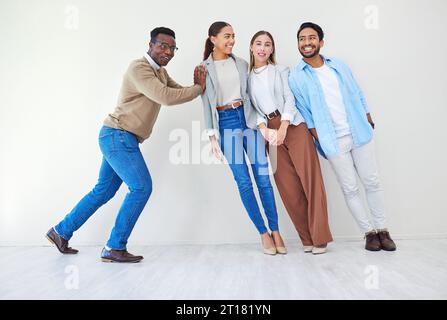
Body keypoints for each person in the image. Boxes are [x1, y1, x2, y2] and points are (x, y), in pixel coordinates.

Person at [46, 27, 207, 263]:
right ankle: (114, 246)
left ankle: (60, 232)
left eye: (173, 48)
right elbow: (166, 97)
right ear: (150, 44)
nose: (168, 51)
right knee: (141, 188)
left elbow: (176, 91)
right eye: (163, 45)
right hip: (118, 135)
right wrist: (199, 88)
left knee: (103, 191)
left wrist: (196, 86)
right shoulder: (139, 68)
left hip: (120, 137)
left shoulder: (160, 72)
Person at [288, 22, 396, 251]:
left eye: (311, 38)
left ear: (321, 42)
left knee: (372, 182)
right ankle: (368, 233)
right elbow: (306, 114)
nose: (306, 43)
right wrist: (321, 141)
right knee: (350, 189)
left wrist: (368, 118)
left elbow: (357, 92)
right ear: (298, 43)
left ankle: (383, 230)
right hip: (333, 141)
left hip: (359, 132)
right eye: (302, 39)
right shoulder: (296, 77)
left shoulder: (339, 65)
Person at [200, 21, 286, 255]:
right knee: (244, 182)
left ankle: (276, 230)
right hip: (225, 123)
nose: (231, 41)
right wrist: (212, 137)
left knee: (263, 178)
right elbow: (206, 105)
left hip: (248, 121)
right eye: (227, 36)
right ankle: (263, 233)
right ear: (213, 39)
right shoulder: (203, 69)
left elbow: (251, 97)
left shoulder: (241, 63)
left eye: (233, 36)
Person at [248, 30, 333, 254]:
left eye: (267, 44)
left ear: (272, 49)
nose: (263, 48)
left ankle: (320, 238)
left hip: (294, 126)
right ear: (251, 47)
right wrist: (264, 128)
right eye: (258, 43)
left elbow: (289, 98)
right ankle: (306, 238)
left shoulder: (281, 70)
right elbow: (252, 108)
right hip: (269, 133)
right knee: (288, 187)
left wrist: (284, 126)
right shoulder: (247, 79)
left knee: (310, 181)